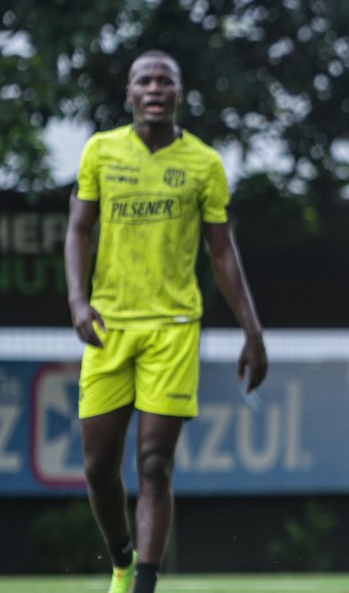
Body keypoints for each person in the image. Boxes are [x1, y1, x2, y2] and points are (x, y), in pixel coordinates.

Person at [64, 50, 267, 593]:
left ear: (178, 93)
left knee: (154, 464)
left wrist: (253, 331)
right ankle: (121, 557)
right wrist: (78, 304)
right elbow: (78, 231)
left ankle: (145, 585)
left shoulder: (204, 164)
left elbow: (223, 255)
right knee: (98, 468)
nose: (155, 88)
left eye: (165, 81)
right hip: (109, 328)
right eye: (144, 81)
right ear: (129, 93)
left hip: (174, 328)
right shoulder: (101, 152)